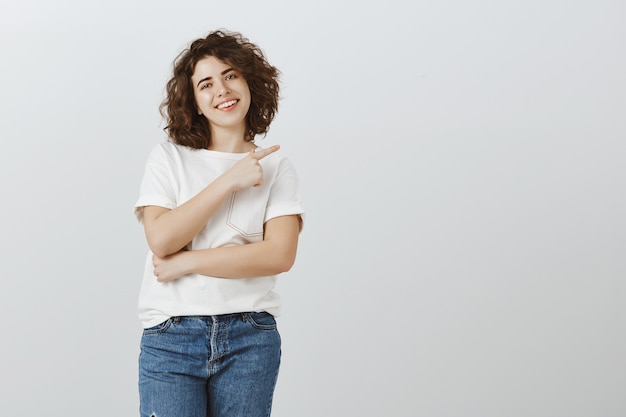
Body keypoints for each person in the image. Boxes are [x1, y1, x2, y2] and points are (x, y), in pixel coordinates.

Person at [133, 29, 304, 417]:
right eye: (206, 84)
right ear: (193, 101)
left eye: (230, 75)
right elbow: (161, 239)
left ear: (249, 81)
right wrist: (229, 180)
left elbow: (279, 255)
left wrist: (188, 262)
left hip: (250, 337)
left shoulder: (277, 167)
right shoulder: (168, 159)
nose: (222, 90)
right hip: (171, 336)